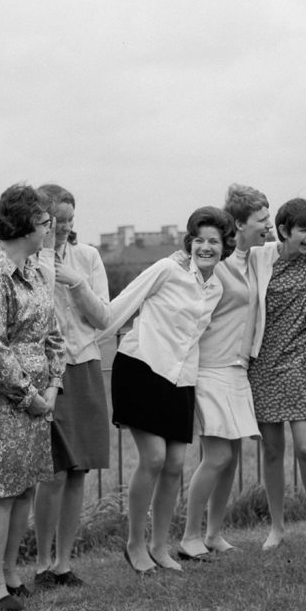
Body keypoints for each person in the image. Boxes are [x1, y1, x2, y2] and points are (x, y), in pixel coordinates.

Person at [103, 207, 231, 573]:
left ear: (224, 247)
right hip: (141, 368)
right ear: (189, 242)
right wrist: (82, 346)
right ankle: (135, 544)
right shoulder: (166, 269)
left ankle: (161, 547)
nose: (206, 247)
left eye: (214, 241)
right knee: (155, 458)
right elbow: (119, 307)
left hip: (180, 378)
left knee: (175, 464)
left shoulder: (217, 287)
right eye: (200, 240)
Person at [0, 184, 65, 611]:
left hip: (38, 397)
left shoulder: (38, 273)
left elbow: (53, 334)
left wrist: (54, 384)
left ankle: (10, 573)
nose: (50, 229)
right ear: (25, 227)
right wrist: (30, 397)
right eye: (45, 222)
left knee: (24, 490)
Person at [178, 185, 271, 560]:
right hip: (211, 367)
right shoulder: (215, 262)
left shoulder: (254, 260)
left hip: (237, 369)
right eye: (262, 219)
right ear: (240, 223)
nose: (269, 225)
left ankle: (214, 534)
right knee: (215, 456)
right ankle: (189, 536)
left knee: (230, 456)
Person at [32, 184, 110, 588]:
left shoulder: (88, 258)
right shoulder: (27, 261)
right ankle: (42, 562)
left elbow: (105, 319)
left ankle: (64, 562)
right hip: (47, 375)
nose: (62, 229)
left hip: (86, 365)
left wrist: (77, 283)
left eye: (69, 222)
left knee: (79, 469)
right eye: (54, 222)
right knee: (54, 472)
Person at [249, 198, 306, 549]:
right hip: (263, 363)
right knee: (271, 451)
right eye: (303, 229)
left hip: (301, 361)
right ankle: (277, 527)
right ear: (284, 231)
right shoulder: (259, 257)